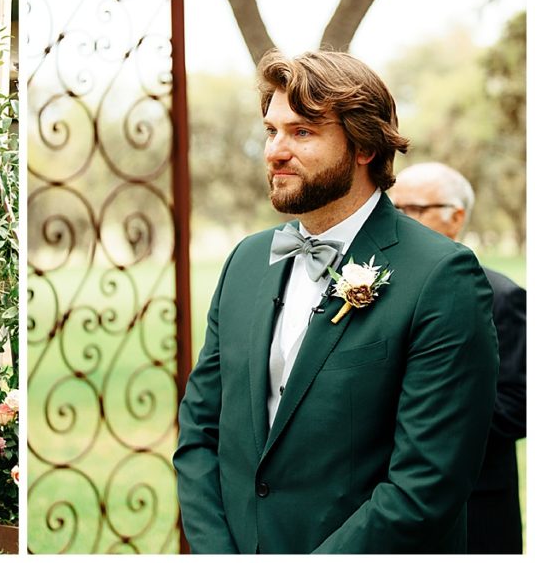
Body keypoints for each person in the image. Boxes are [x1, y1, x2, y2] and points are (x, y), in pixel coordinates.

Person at [174, 50, 499, 553]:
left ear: (364, 146)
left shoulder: (442, 276)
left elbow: (426, 486)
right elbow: (199, 432)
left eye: (302, 132)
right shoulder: (246, 261)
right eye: (271, 131)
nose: (275, 151)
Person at [389, 162, 525, 555]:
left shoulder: (502, 296)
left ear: (456, 217)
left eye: (412, 210)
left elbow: (518, 405)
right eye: (392, 209)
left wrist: (423, 417)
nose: (399, 221)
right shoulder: (377, 290)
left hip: (475, 501)